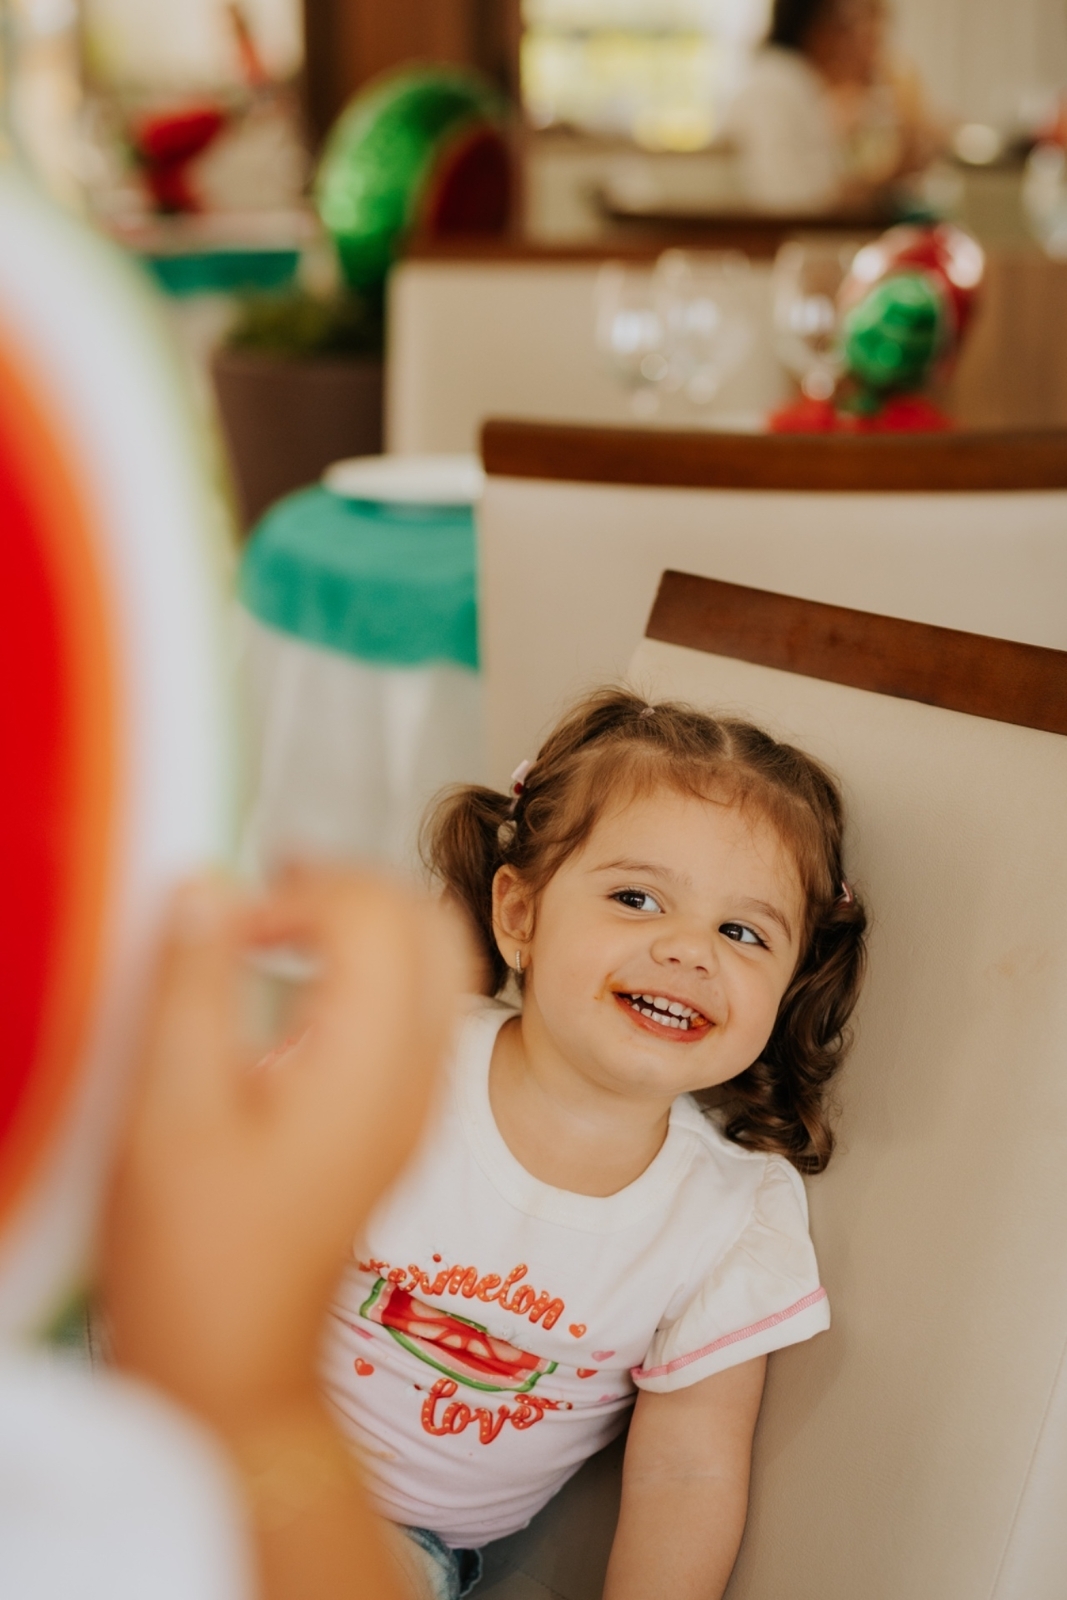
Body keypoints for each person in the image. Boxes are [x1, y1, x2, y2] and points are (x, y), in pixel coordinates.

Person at [321, 689, 868, 1600]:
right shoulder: (399, 1060)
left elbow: (686, 1475)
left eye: (741, 932)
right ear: (519, 915)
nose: (689, 950)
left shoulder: (731, 1218)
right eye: (635, 898)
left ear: (789, 987)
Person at [98, 868, 472, 1600]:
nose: (689, 950)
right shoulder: (425, 1053)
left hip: (393, 1532)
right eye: (634, 899)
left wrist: (246, 1395)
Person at [724, 0, 940, 214]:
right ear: (815, 28)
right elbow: (785, 200)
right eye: (845, 25)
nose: (853, 39)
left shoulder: (799, 83)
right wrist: (879, 184)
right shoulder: (776, 84)